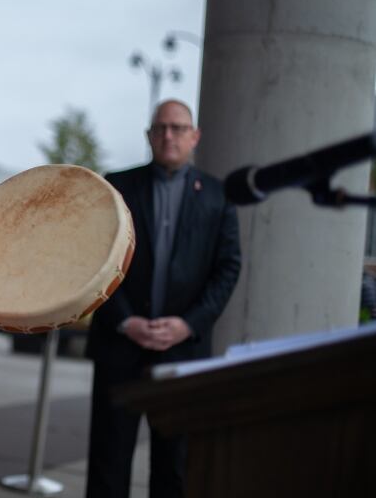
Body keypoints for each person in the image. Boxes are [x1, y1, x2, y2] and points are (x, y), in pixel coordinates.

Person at [85, 99, 241, 498]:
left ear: (194, 136)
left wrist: (188, 324)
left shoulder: (219, 196)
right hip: (120, 347)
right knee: (108, 464)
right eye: (160, 128)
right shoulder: (116, 187)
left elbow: (228, 268)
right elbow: (93, 259)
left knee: (176, 468)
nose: (168, 135)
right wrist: (125, 320)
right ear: (149, 135)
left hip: (183, 354)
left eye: (177, 127)